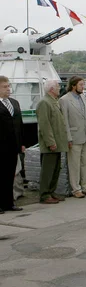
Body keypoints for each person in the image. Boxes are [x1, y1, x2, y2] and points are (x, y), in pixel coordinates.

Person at [59, 76, 86, 198]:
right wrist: (68, 138)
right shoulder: (64, 100)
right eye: (81, 85)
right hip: (74, 136)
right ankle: (76, 189)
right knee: (74, 164)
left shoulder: (82, 97)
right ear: (73, 85)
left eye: (84, 84)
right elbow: (64, 120)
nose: (83, 87)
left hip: (85, 135)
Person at [36, 80, 69, 204]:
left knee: (56, 169)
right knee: (48, 170)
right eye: (57, 87)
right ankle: (44, 194)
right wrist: (50, 142)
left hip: (58, 143)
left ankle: (51, 191)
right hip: (51, 144)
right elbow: (45, 125)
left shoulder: (53, 102)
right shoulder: (44, 103)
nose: (59, 88)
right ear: (51, 89)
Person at [0, 76, 25, 213]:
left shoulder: (14, 103)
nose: (8, 89)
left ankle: (8, 203)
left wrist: (21, 143)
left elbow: (19, 125)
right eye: (5, 87)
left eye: (9, 86)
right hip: (1, 146)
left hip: (13, 146)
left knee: (10, 175)